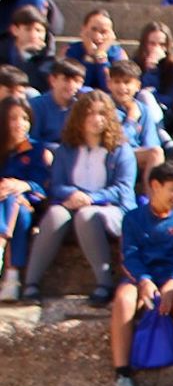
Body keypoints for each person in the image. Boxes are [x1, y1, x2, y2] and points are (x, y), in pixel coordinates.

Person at [21, 91, 137, 305]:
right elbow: (56, 185)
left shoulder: (121, 150)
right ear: (79, 117)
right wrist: (72, 194)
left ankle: (104, 283)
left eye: (102, 113)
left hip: (111, 209)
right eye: (89, 113)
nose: (96, 119)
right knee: (55, 214)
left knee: (86, 215)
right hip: (72, 203)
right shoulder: (66, 149)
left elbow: (123, 189)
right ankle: (31, 283)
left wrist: (90, 198)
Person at [109, 161, 173, 386]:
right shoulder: (133, 219)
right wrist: (144, 280)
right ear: (155, 186)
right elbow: (130, 255)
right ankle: (122, 375)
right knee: (123, 301)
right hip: (142, 277)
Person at [0, 98, 50, 302]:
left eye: (25, 118)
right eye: (13, 118)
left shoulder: (37, 150)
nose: (20, 123)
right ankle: (12, 277)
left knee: (14, 199)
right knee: (9, 197)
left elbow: (45, 187)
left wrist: (25, 186)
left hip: (29, 207)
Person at [107, 59, 166, 190]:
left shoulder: (143, 109)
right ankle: (151, 200)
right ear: (109, 84)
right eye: (117, 82)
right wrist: (131, 120)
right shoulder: (104, 107)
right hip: (111, 157)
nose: (122, 87)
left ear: (138, 86)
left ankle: (152, 200)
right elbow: (115, 141)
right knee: (154, 153)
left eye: (127, 82)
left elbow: (151, 142)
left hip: (137, 158)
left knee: (156, 153)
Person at [64, 8, 127, 93]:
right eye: (93, 30)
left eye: (104, 32)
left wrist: (101, 56)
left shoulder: (118, 54)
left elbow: (111, 88)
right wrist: (89, 57)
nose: (98, 36)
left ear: (111, 34)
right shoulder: (71, 50)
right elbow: (76, 85)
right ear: (84, 29)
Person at [32, 57, 84, 150]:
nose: (71, 86)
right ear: (53, 80)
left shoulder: (80, 106)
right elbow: (30, 139)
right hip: (43, 156)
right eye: (66, 80)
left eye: (76, 81)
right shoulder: (36, 105)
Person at [133, 21, 173, 115]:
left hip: (164, 114)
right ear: (144, 44)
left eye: (162, 44)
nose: (157, 48)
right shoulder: (134, 64)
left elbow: (172, 99)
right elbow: (134, 94)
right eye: (152, 43)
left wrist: (152, 94)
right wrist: (150, 70)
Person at [5, 4, 55, 93]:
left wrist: (28, 55)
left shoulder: (47, 56)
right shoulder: (3, 51)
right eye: (28, 29)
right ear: (15, 30)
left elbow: (39, 84)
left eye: (39, 31)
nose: (34, 35)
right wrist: (22, 54)